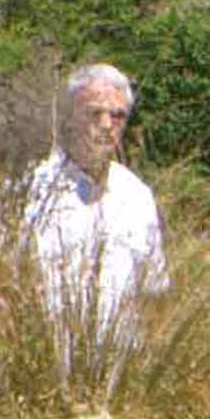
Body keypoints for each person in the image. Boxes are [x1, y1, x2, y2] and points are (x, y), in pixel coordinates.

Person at [23, 63, 166, 374]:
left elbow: (153, 294)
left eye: (118, 116)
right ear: (71, 116)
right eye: (94, 113)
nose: (106, 125)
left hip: (120, 374)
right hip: (41, 372)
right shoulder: (32, 189)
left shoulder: (137, 196)